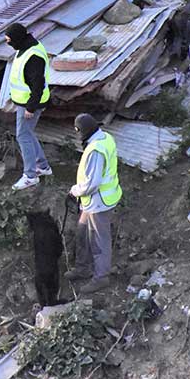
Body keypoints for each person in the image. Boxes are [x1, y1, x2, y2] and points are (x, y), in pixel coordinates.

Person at [67, 113, 123, 295]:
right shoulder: (105, 138)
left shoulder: (96, 151)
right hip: (94, 201)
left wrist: (75, 190)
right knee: (82, 232)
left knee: (99, 240)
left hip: (99, 203)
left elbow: (92, 184)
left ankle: (101, 277)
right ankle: (83, 268)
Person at [5, 22, 52, 191]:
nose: (7, 43)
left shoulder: (33, 56)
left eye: (8, 40)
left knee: (23, 136)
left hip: (30, 104)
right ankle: (43, 166)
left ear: (17, 39)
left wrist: (30, 108)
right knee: (28, 133)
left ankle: (30, 176)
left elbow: (37, 85)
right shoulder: (25, 47)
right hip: (24, 102)